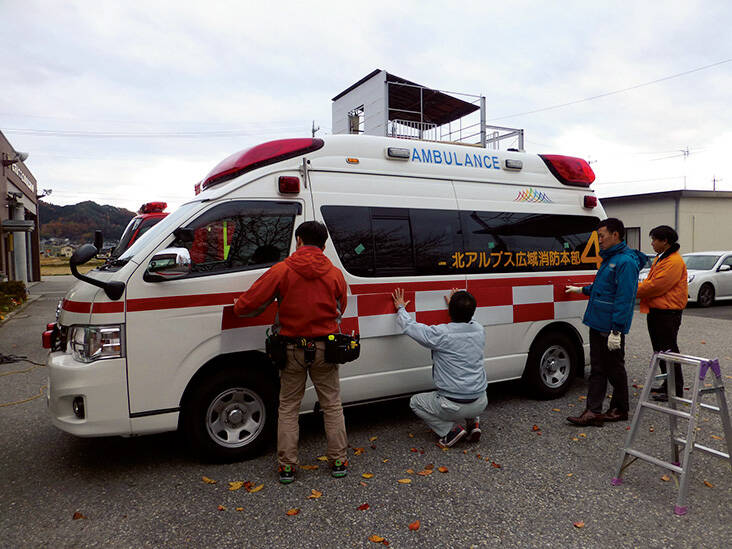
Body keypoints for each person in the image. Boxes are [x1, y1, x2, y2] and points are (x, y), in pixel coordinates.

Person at [233, 221, 349, 484]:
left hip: (291, 349)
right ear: (324, 244)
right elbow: (341, 306)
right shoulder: (334, 274)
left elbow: (249, 304)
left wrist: (238, 306)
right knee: (332, 405)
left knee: (288, 407)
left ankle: (287, 467)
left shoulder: (282, 270)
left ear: (298, 240)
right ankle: (339, 461)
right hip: (325, 349)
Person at [565, 218, 646, 427]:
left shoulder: (625, 262)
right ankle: (593, 411)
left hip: (610, 327)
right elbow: (602, 289)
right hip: (598, 323)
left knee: (614, 368)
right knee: (598, 369)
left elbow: (624, 298)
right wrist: (580, 290)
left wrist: (617, 331)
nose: (599, 240)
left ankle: (620, 408)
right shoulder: (610, 259)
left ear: (615, 234)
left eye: (602, 235)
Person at [392, 287, 488, 447]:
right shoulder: (479, 330)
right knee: (469, 385)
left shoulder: (441, 334)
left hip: (452, 404)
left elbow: (411, 327)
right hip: (480, 402)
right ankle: (473, 425)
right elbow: (467, 319)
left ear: (450, 311)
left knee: (415, 402)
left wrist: (401, 308)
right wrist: (456, 307)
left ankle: (450, 431)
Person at [636, 225, 688, 402]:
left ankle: (675, 389)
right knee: (660, 350)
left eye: (654, 240)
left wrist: (631, 290)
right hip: (658, 310)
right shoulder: (662, 258)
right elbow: (652, 283)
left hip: (668, 312)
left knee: (669, 350)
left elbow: (656, 286)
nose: (652, 243)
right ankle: (668, 384)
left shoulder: (673, 261)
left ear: (665, 241)